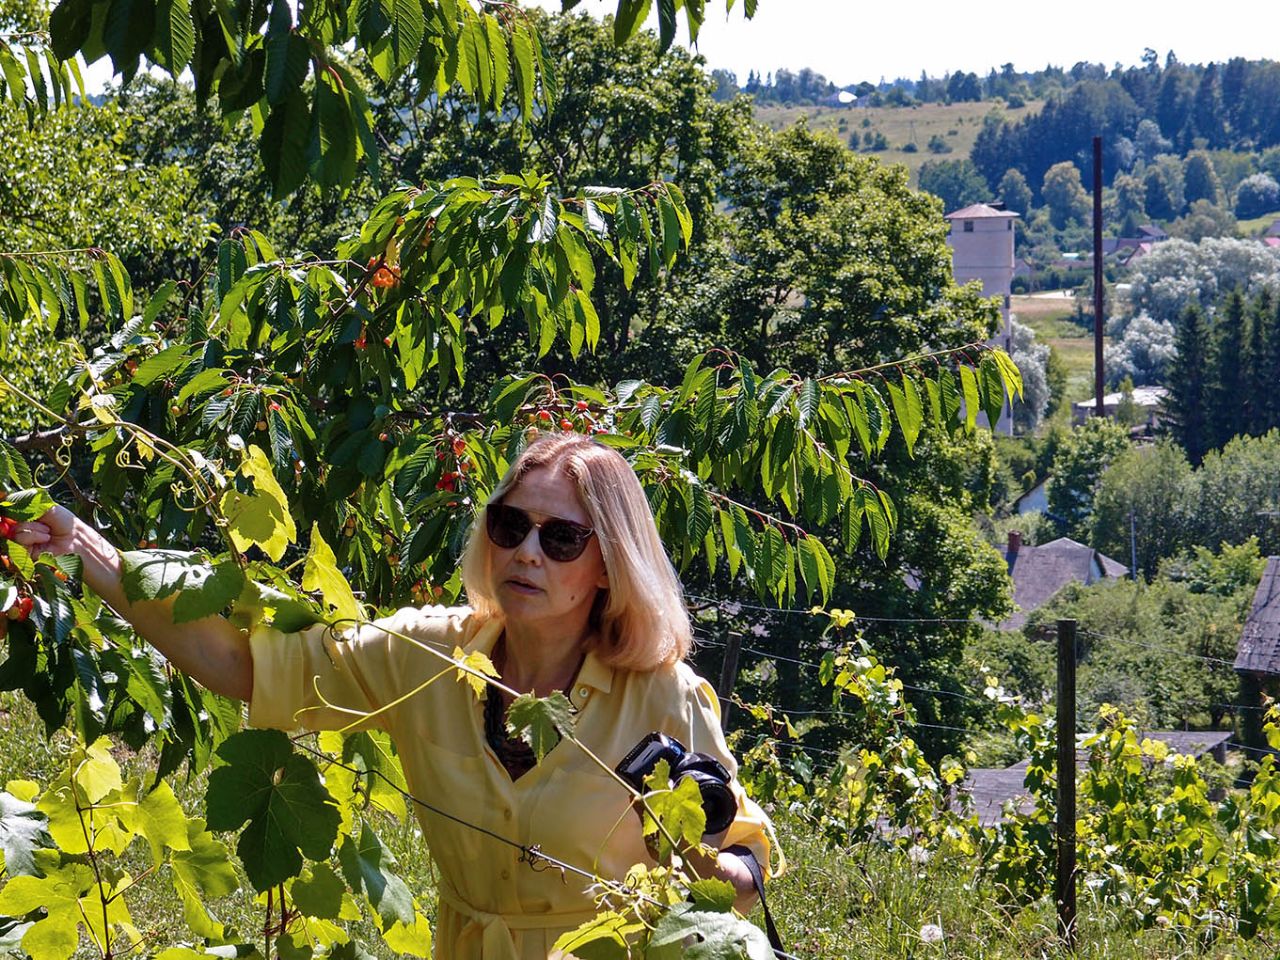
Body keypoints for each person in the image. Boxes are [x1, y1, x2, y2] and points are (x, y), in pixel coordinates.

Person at [17, 431, 784, 959]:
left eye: (560, 538)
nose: (525, 552)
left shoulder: (663, 695)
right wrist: (87, 552)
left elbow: (747, 866)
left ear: (609, 565)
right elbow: (244, 663)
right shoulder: (426, 654)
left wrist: (706, 863)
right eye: (511, 525)